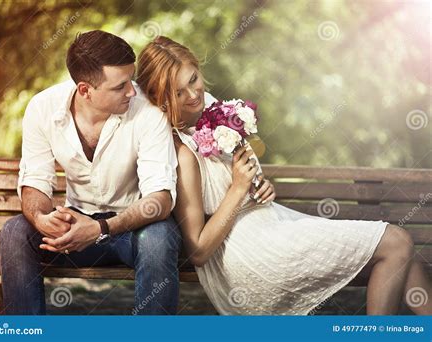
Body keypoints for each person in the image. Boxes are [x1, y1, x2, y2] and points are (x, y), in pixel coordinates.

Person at [135, 36, 432, 315]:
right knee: (395, 242)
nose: (193, 94)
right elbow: (198, 250)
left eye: (193, 79)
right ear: (161, 99)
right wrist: (239, 189)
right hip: (248, 249)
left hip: (272, 222)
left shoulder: (212, 111)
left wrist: (259, 186)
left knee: (404, 253)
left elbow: (237, 180)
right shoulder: (182, 152)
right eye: (178, 92)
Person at [0, 31, 181, 315]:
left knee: (158, 237)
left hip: (131, 230)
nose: (132, 91)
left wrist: (99, 229)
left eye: (131, 80)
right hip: (75, 226)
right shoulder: (43, 108)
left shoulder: (148, 112)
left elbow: (161, 199)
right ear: (85, 90)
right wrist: (42, 218)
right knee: (15, 232)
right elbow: (35, 181)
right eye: (120, 86)